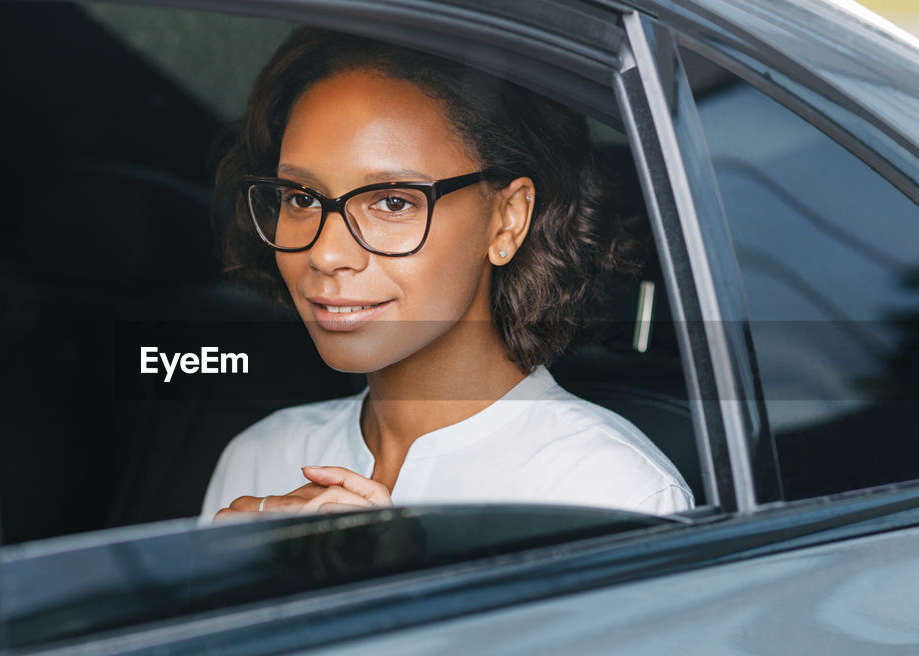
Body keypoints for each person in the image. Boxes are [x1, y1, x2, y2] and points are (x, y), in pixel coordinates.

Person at [201, 28, 693, 521]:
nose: (327, 255)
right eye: (301, 198)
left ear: (507, 219)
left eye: (393, 202)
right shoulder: (258, 460)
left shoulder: (610, 493)